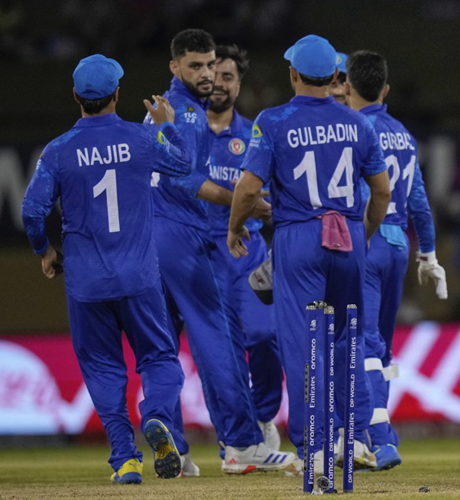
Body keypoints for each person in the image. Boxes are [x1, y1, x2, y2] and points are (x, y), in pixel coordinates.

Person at [21, 54, 191, 483]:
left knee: (102, 369)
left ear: (75, 96)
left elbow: (31, 211)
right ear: (117, 94)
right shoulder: (141, 139)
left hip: (86, 283)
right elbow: (184, 164)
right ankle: (158, 417)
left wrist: (44, 250)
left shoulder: (58, 150)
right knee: (160, 357)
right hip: (139, 278)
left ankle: (125, 460)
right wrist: (167, 125)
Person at [227, 34, 391, 474]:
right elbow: (381, 191)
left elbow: (248, 188)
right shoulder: (358, 123)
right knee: (347, 341)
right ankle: (352, 439)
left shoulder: (273, 120)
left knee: (304, 347)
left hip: (299, 238)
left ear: (293, 74)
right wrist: (363, 234)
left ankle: (314, 449)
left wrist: (235, 227)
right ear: (336, 76)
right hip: (348, 237)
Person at [146, 29, 294, 474]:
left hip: (155, 240)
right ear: (175, 67)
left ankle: (177, 448)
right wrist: (240, 202)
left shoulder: (164, 112)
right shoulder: (188, 114)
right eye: (198, 66)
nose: (209, 75)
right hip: (190, 238)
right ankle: (242, 443)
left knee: (161, 348)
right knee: (218, 339)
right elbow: (184, 179)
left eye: (212, 66)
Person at [345, 50, 447, 471]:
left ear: (347, 87)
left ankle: (378, 436)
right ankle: (372, 434)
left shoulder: (353, 128)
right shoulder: (403, 134)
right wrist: (429, 252)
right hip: (399, 247)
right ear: (385, 90)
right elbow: (418, 198)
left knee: (363, 341)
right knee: (381, 347)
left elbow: (358, 192)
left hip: (368, 240)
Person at [206, 44, 283, 450]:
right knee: (220, 351)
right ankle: (234, 436)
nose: (219, 83)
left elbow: (271, 195)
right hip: (200, 253)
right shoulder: (185, 132)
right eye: (214, 75)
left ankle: (264, 415)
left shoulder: (256, 134)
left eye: (228, 77)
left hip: (248, 250)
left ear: (239, 85)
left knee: (264, 334)